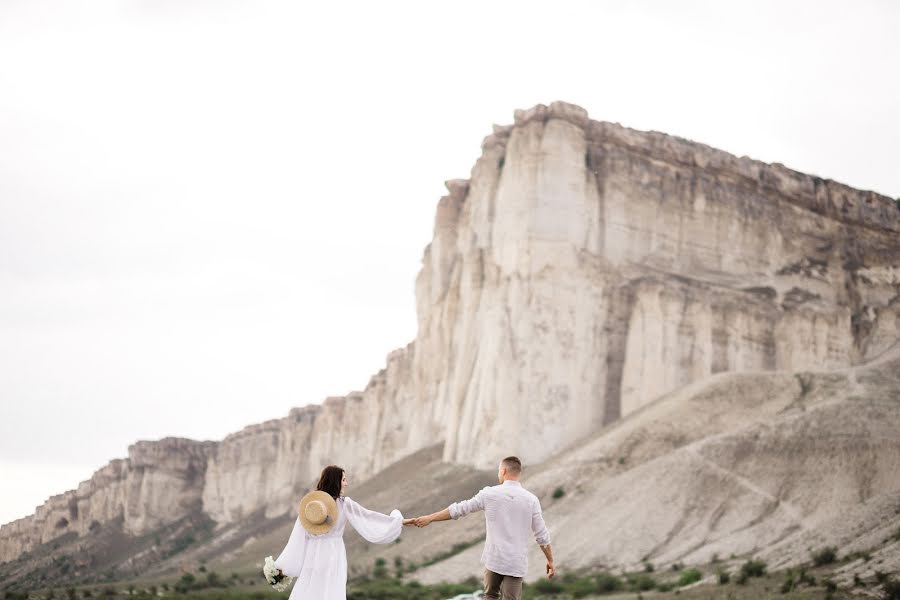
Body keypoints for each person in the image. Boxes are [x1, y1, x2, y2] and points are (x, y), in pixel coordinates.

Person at [408, 456, 554, 600]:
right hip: (515, 562)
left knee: (490, 596)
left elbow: (458, 509)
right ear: (518, 473)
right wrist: (550, 561)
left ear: (503, 471)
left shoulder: (489, 494)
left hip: (494, 559)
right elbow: (542, 535)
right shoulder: (531, 500)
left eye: (498, 471)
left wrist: (430, 518)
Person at [272, 465, 405, 599]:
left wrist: (282, 568)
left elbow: (296, 540)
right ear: (335, 481)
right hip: (333, 554)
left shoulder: (311, 506)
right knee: (331, 590)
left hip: (313, 555)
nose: (346, 483)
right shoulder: (343, 503)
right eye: (343, 480)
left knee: (310, 589)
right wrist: (399, 522)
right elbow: (368, 518)